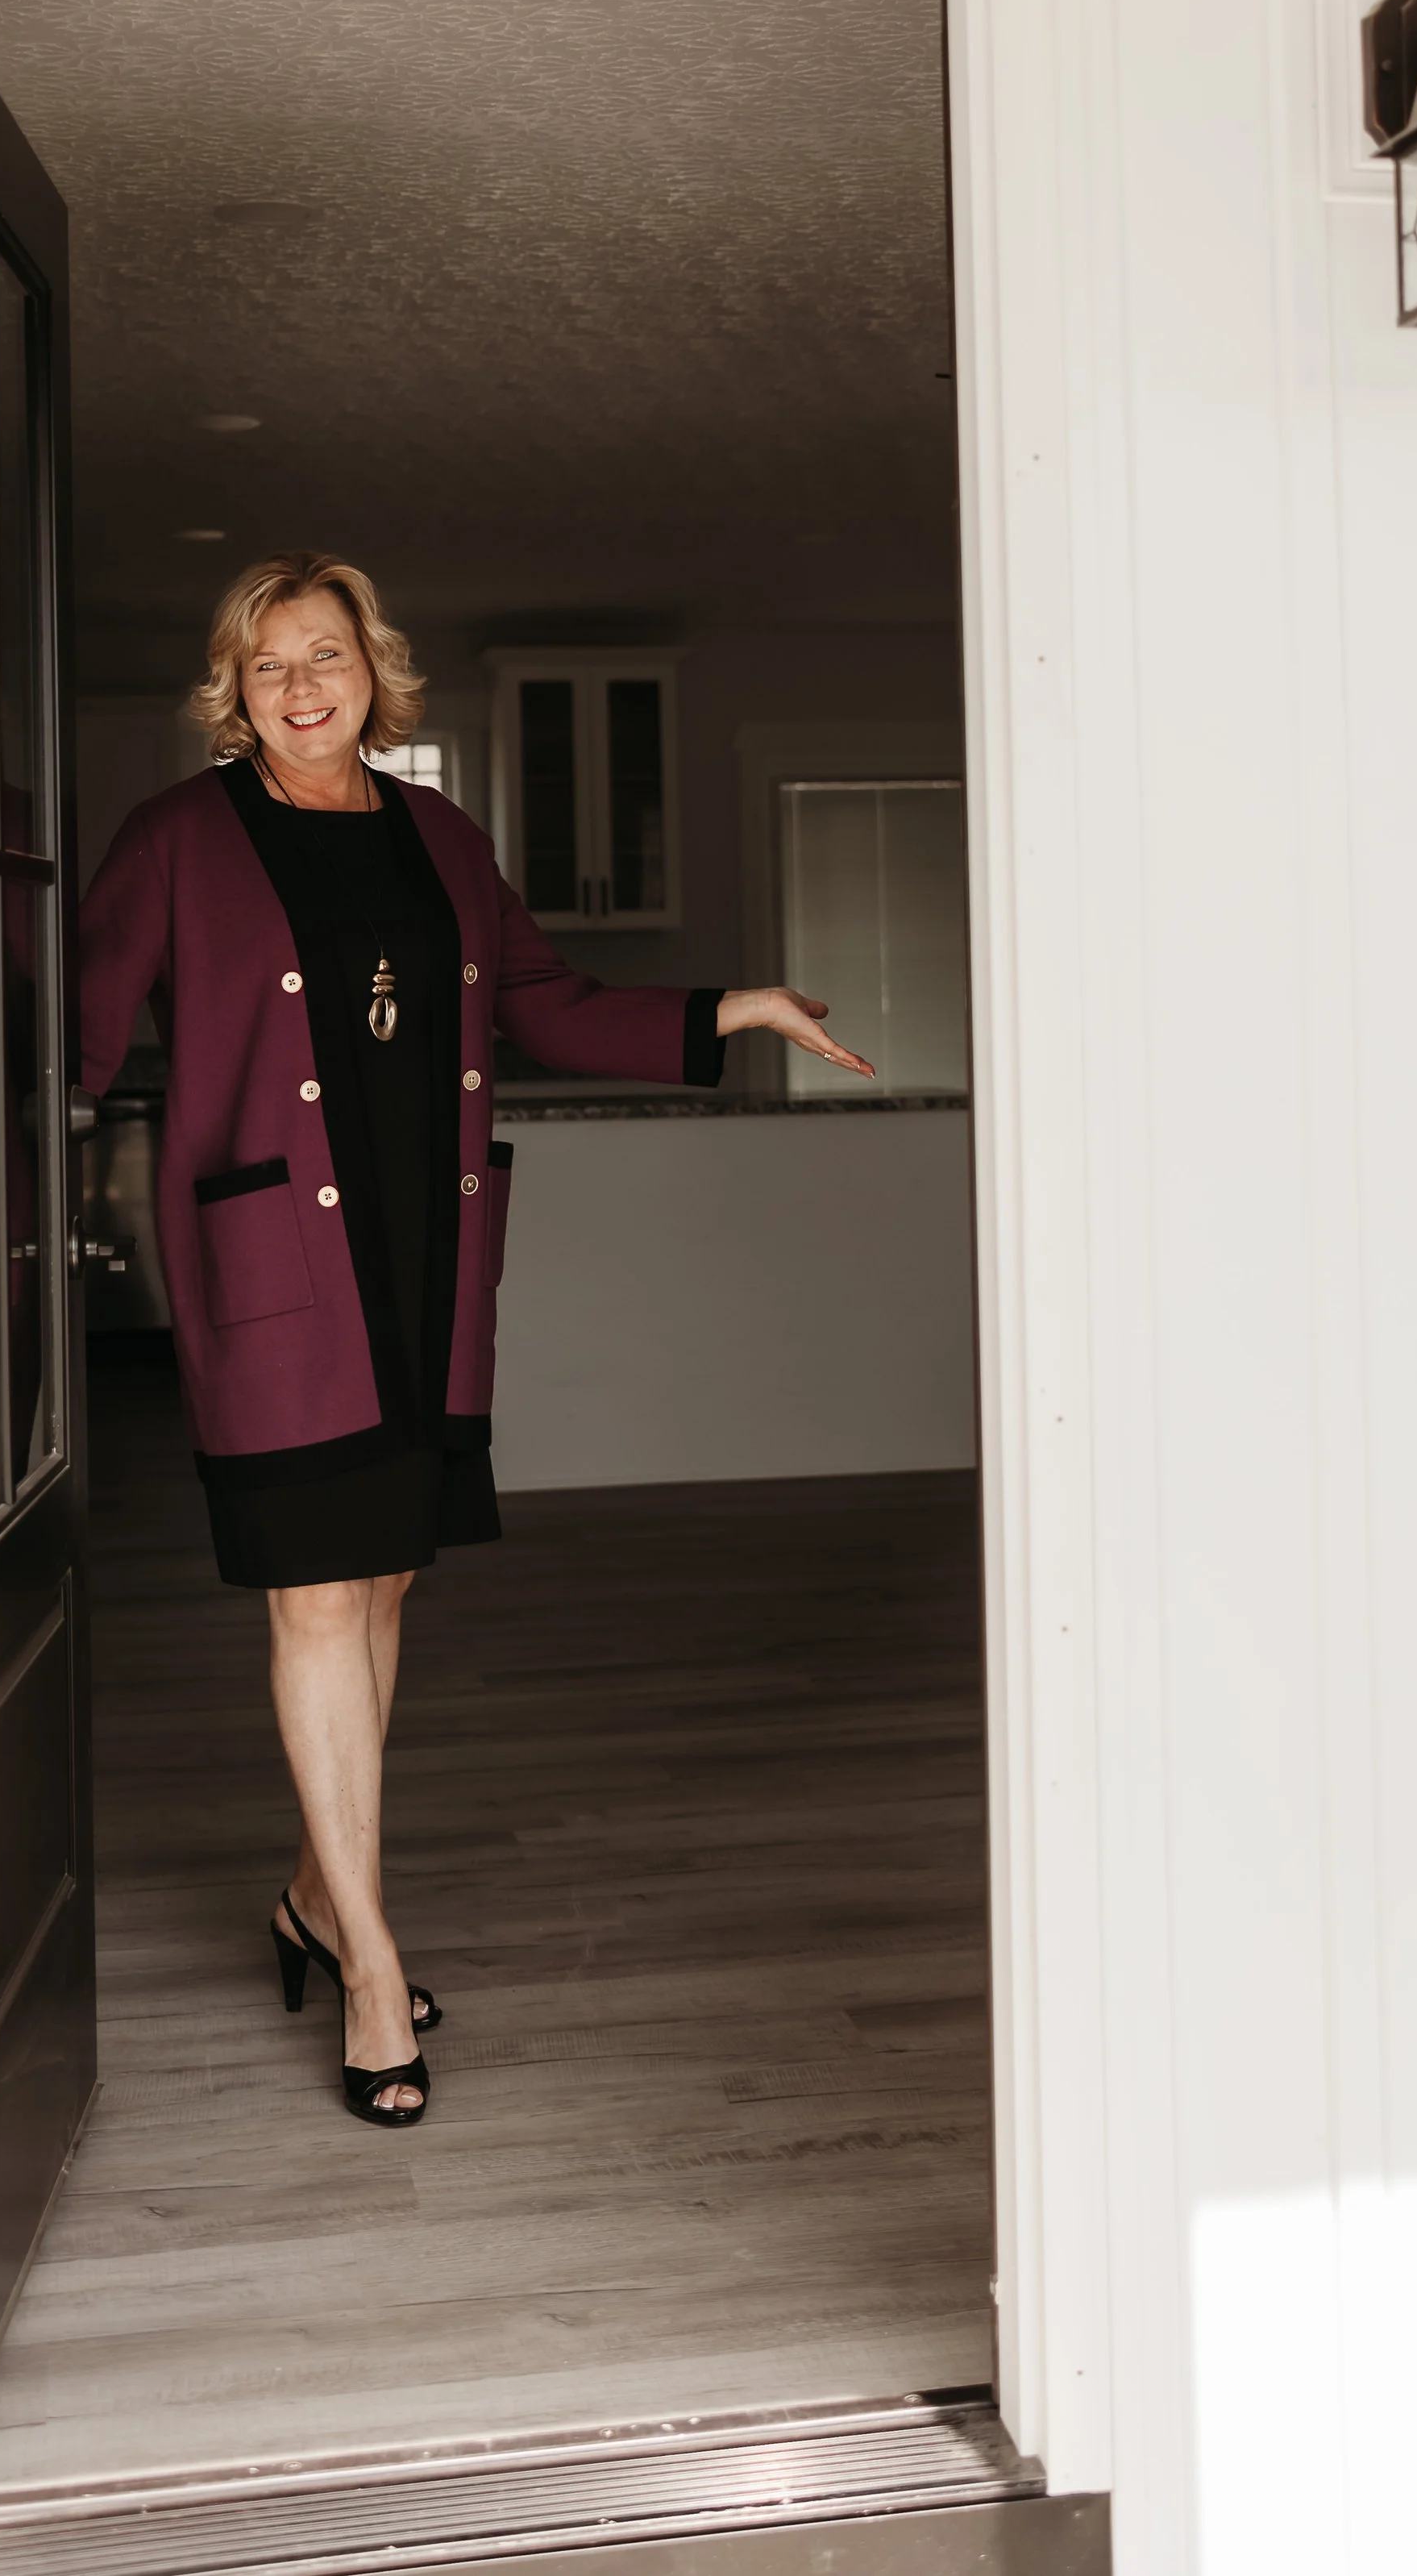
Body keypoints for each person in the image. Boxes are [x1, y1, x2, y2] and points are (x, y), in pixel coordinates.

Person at [78, 553, 872, 2126]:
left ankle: (317, 1899)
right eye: (266, 665)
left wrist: (731, 1008)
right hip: (274, 1266)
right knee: (316, 1594)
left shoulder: (443, 836)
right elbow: (69, 1032)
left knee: (381, 1585)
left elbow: (544, 1002)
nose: (300, 688)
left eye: (324, 655)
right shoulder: (174, 838)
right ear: (233, 693)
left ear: (373, 670)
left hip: (423, 1263)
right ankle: (371, 1968)